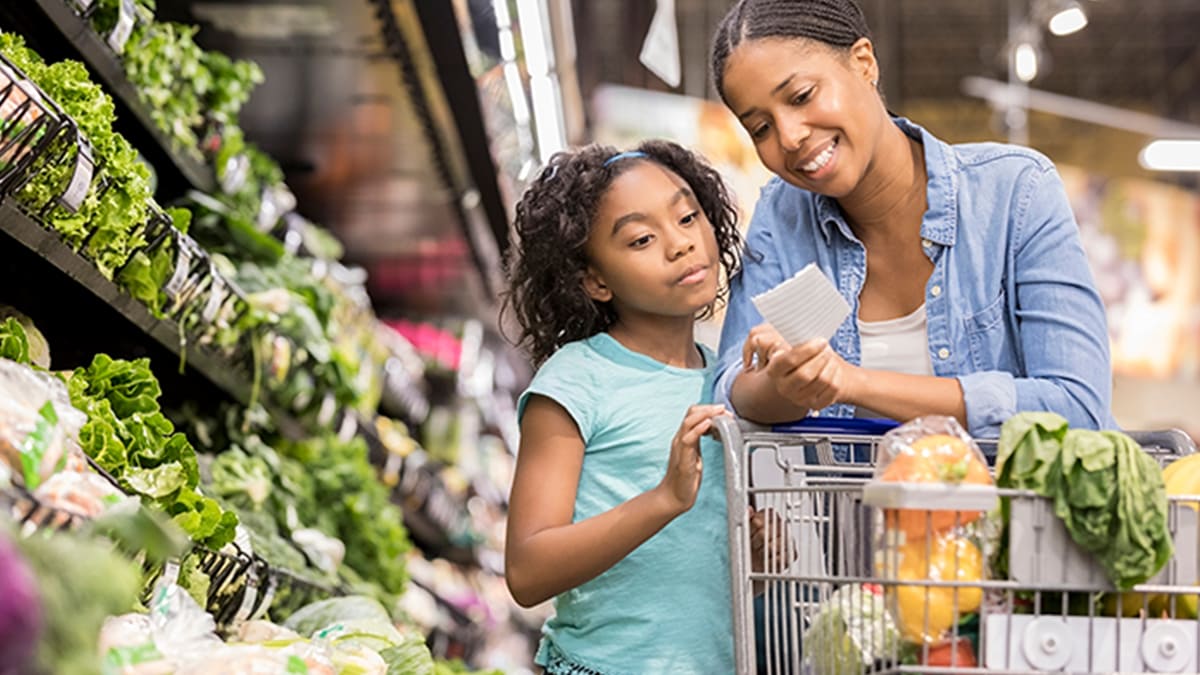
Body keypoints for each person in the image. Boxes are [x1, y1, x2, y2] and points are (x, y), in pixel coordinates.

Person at [709, 0, 1120, 440]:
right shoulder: (781, 216)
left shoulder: (1015, 192)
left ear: (864, 62)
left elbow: (1076, 407)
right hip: (847, 511)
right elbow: (730, 395)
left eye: (801, 96)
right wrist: (782, 384)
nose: (789, 137)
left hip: (1013, 509)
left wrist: (852, 382)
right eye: (760, 129)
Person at [502, 140, 780, 673]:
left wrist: (759, 556)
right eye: (642, 239)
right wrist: (663, 500)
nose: (679, 245)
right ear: (595, 281)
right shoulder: (577, 379)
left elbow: (696, 571)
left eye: (686, 216)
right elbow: (527, 570)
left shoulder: (728, 379)